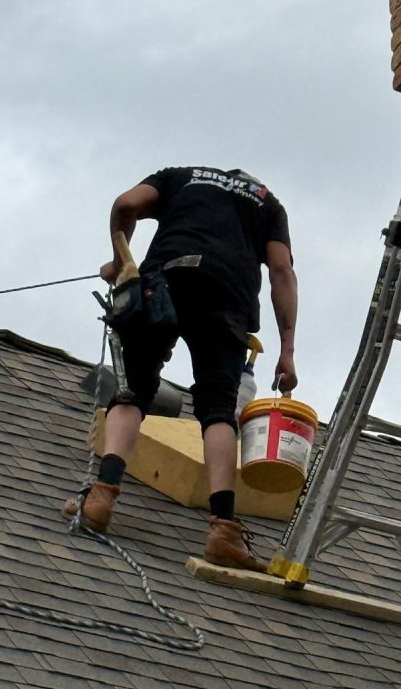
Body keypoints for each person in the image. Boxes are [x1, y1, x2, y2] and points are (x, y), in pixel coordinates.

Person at [82, 166, 298, 572]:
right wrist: (287, 351)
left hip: (162, 281)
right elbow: (281, 271)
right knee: (217, 408)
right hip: (225, 296)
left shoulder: (179, 177)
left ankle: (101, 497)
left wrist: (121, 261)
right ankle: (223, 531)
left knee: (132, 390)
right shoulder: (268, 202)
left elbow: (126, 204)